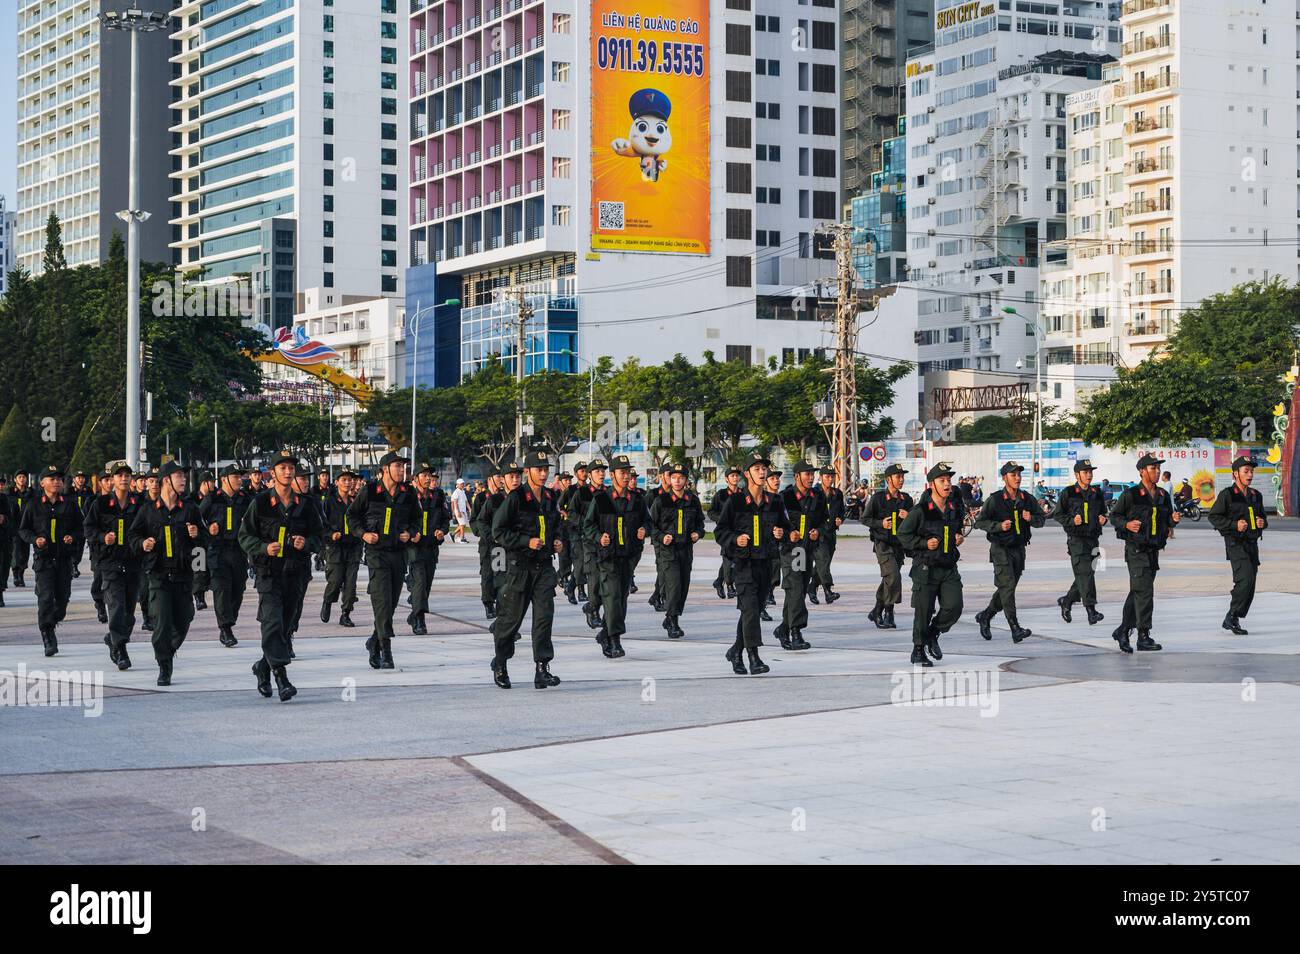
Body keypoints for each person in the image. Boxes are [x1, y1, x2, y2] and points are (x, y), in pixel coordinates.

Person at [239, 450, 323, 700]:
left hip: (296, 575)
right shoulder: (261, 503)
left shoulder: (306, 505)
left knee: (286, 628)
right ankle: (281, 678)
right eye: (282, 468)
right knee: (272, 623)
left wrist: (305, 543)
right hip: (269, 574)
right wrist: (264, 547)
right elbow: (244, 537)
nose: (288, 472)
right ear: (272, 473)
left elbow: (320, 538)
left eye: (290, 468)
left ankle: (262, 668)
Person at [490, 450, 564, 689]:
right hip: (520, 568)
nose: (543, 474)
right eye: (538, 469)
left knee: (544, 619)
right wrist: (525, 541)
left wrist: (557, 540)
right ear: (527, 472)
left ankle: (542, 669)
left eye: (546, 469)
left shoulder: (551, 497)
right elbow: (498, 531)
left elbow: (556, 524)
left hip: (544, 568)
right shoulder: (516, 498)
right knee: (510, 621)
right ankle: (501, 662)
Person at [128, 461, 204, 686]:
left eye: (183, 476)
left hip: (183, 576)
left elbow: (204, 543)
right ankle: (164, 665)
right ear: (166, 481)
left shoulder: (190, 509)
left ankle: (168, 651)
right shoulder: (148, 510)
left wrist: (197, 534)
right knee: (161, 623)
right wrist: (143, 543)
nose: (183, 480)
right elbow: (133, 537)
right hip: (158, 576)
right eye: (179, 476)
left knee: (184, 619)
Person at [713, 453, 788, 675]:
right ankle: (753, 656)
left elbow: (787, 529)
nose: (762, 472)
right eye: (756, 469)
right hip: (743, 564)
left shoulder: (775, 501)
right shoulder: (735, 502)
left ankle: (736, 650)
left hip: (766, 563)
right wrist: (735, 539)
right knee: (750, 609)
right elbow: (720, 531)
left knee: (752, 611)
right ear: (747, 474)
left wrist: (781, 532)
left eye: (764, 468)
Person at [348, 451, 417, 670]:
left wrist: (411, 532)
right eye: (397, 466)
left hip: (399, 554)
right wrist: (363, 534)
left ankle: (373, 641)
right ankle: (386, 649)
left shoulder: (409, 492)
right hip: (377, 555)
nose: (401, 470)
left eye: (403, 467)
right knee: (382, 601)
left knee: (392, 602)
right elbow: (352, 516)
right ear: (385, 469)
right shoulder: (369, 491)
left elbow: (416, 520)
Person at [897, 462, 966, 667]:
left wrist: (958, 537)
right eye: (942, 480)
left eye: (949, 480)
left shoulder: (954, 508)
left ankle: (932, 633)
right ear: (931, 485)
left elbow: (957, 530)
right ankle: (918, 650)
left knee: (954, 606)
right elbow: (903, 534)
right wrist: (923, 543)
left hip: (948, 567)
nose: (947, 484)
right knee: (923, 611)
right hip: (925, 569)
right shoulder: (920, 511)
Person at [1108, 454, 1180, 653]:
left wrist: (1173, 519)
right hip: (1136, 550)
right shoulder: (1131, 494)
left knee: (1139, 591)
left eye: (1158, 468)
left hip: (1153, 551)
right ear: (1142, 471)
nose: (1156, 472)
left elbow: (1166, 521)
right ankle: (1143, 635)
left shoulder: (1163, 496)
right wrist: (1127, 524)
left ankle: (1123, 630)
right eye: (1152, 468)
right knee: (1145, 592)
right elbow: (1114, 516)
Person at [973, 461, 1045, 643]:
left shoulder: (1027, 498)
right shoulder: (995, 499)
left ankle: (986, 615)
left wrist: (1032, 518)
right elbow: (980, 522)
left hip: (1019, 550)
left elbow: (1041, 519)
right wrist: (998, 526)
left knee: (1007, 588)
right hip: (1000, 550)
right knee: (1008, 587)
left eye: (1019, 474)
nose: (1018, 478)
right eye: (1013, 475)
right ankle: (1015, 627)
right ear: (1004, 478)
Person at [583, 454, 647, 658]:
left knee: (621, 599)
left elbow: (649, 522)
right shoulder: (601, 499)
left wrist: (644, 529)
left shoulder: (637, 499)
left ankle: (605, 633)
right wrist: (599, 537)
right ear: (613, 475)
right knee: (612, 598)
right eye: (622, 472)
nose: (626, 476)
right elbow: (588, 525)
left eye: (628, 472)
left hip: (628, 557)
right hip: (607, 558)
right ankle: (614, 639)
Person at [17, 465, 84, 657]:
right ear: (42, 482)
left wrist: (72, 537)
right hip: (44, 560)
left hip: (64, 560)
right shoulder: (34, 504)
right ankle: (47, 635)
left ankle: (52, 621)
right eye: (52, 479)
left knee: (62, 600)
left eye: (59, 479)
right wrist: (35, 540)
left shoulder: (69, 504)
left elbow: (81, 529)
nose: (56, 482)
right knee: (46, 598)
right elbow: (23, 530)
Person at [84, 462, 144, 670]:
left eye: (127, 475)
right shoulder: (100, 504)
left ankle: (113, 637)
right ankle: (120, 649)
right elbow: (88, 528)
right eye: (119, 475)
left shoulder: (139, 503)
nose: (124, 479)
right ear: (112, 480)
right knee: (116, 607)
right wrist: (102, 537)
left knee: (129, 613)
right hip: (109, 563)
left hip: (133, 562)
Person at [1208, 456, 1266, 635]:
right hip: (1235, 544)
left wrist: (1262, 522)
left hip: (1252, 545)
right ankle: (1232, 615)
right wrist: (1234, 525)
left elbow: (1263, 518)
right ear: (1235, 474)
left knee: (1250, 583)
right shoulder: (1227, 494)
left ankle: (1234, 617)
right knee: (1245, 579)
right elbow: (1214, 516)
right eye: (1246, 471)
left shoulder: (1256, 495)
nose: (1250, 475)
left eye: (1251, 471)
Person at [774, 461, 828, 651]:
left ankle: (783, 628)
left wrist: (818, 532)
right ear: (797, 476)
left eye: (812, 474)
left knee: (798, 592)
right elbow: (775, 523)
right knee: (796, 589)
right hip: (792, 550)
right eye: (807, 474)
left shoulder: (817, 496)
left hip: (808, 549)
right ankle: (796, 631)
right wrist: (788, 533)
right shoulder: (785, 497)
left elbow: (824, 521)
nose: (811, 478)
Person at [647, 464, 703, 638]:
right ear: (668, 480)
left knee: (684, 586)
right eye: (673, 477)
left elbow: (700, 523)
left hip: (685, 550)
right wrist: (662, 536)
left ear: (686, 480)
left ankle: (672, 617)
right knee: (674, 586)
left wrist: (698, 533)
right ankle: (673, 621)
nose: (677, 481)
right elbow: (651, 526)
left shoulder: (692, 500)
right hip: (667, 551)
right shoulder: (660, 501)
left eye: (681, 478)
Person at [201, 464, 253, 647]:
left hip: (238, 550)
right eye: (235, 477)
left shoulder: (245, 499)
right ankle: (225, 628)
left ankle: (229, 619)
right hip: (218, 550)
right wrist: (208, 528)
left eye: (240, 477)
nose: (240, 480)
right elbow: (198, 521)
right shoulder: (212, 499)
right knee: (221, 589)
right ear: (224, 479)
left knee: (238, 589)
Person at [1053, 458, 1108, 626]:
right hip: (1077, 540)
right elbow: (1058, 515)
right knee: (1085, 574)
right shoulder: (1068, 493)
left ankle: (1067, 600)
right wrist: (1071, 521)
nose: (1089, 475)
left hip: (1093, 539)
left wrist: (1103, 519)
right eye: (1086, 472)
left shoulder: (1097, 493)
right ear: (1077, 475)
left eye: (1091, 471)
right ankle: (1091, 611)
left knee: (1087, 574)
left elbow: (1104, 512)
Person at [862, 464, 913, 629]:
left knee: (889, 580)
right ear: (888, 479)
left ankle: (877, 611)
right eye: (898, 476)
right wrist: (880, 523)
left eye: (902, 476)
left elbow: (917, 522)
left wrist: (909, 517)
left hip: (899, 546)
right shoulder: (878, 498)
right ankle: (888, 612)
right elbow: (865, 519)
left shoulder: (906, 499)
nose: (901, 480)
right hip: (883, 544)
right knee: (894, 577)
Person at [406, 462, 450, 635]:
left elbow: (446, 519)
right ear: (415, 479)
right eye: (423, 475)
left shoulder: (438, 496)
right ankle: (419, 619)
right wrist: (411, 533)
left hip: (431, 547)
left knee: (426, 587)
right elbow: (401, 520)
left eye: (429, 475)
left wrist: (442, 531)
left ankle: (414, 614)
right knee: (419, 583)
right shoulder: (408, 497)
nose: (428, 479)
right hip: (414, 548)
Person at [320, 468, 361, 627]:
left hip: (353, 547)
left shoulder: (355, 502)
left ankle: (346, 613)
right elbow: (321, 524)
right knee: (335, 580)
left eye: (350, 480)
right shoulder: (329, 502)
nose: (347, 483)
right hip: (335, 548)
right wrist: (331, 535)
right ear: (336, 482)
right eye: (343, 480)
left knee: (351, 583)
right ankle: (328, 601)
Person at [470, 468, 505, 618]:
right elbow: (474, 521)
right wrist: (486, 535)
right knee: (487, 575)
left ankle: (500, 603)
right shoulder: (481, 498)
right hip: (487, 543)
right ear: (490, 478)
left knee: (500, 575)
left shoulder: (504, 497)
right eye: (498, 476)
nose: (501, 479)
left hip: (501, 544)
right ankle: (488, 603)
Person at [577, 460, 607, 630]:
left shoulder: (608, 493)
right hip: (589, 543)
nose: (601, 474)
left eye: (602, 471)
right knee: (594, 581)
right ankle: (593, 609)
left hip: (605, 543)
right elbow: (571, 513)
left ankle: (592, 607)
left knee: (607, 583)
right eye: (597, 471)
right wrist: (585, 522)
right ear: (589, 475)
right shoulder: (582, 493)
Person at [708, 467, 742, 600]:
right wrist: (721, 519)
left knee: (735, 557)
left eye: (736, 475)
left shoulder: (743, 494)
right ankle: (729, 585)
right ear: (727, 479)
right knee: (728, 556)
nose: (735, 478)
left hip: (739, 532)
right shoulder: (720, 494)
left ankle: (718, 581)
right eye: (732, 475)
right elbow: (711, 512)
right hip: (725, 532)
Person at [812, 466, 844, 604]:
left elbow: (842, 511)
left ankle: (811, 587)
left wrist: (840, 519)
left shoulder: (837, 494)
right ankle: (828, 591)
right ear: (821, 477)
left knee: (823, 564)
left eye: (832, 476)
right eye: (827, 476)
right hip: (819, 533)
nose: (830, 479)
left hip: (831, 533)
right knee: (823, 561)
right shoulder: (814, 493)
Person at [560, 462, 589, 605]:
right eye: (582, 471)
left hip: (588, 530)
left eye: (586, 471)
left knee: (584, 562)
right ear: (576, 473)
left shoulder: (590, 490)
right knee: (580, 561)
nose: (585, 473)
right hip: (574, 530)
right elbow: (559, 506)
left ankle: (570, 587)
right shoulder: (570, 490)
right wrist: (567, 515)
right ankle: (581, 590)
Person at [189, 470, 214, 609]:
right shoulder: (192, 499)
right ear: (205, 483)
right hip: (197, 540)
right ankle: (199, 597)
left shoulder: (215, 498)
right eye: (211, 482)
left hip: (211, 539)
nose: (213, 485)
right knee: (198, 568)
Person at [10, 468, 34, 588]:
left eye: (24, 477)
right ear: (15, 480)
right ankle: (15, 575)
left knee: (25, 552)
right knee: (15, 552)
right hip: (14, 527)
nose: (22, 479)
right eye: (19, 477)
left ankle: (21, 574)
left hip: (27, 527)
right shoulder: (10, 493)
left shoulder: (31, 493)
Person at [450, 477, 471, 543]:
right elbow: (455, 503)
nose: (462, 485)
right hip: (458, 511)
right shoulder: (456, 492)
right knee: (462, 524)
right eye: (461, 484)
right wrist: (457, 511)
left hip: (463, 511)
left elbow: (466, 501)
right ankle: (462, 538)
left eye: (463, 484)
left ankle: (453, 534)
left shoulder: (463, 492)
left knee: (463, 525)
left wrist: (470, 509)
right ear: (458, 485)